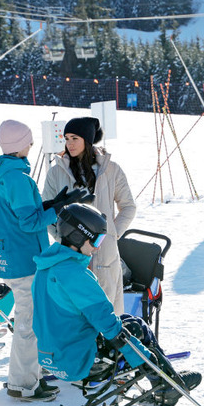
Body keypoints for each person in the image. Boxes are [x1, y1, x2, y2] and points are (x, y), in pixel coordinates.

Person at [32, 203, 201, 406]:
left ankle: (165, 379)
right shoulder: (76, 275)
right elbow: (111, 328)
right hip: (80, 363)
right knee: (136, 328)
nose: (98, 246)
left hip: (52, 357)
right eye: (97, 239)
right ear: (78, 237)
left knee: (127, 319)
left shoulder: (45, 268)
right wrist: (145, 358)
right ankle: (166, 386)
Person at [0, 119, 89, 401]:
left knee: (29, 321)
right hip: (25, 259)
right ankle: (23, 384)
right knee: (29, 325)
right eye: (28, 140)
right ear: (20, 144)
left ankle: (24, 377)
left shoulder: (5, 173)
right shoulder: (17, 178)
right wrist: (61, 208)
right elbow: (29, 223)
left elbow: (25, 213)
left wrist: (55, 202)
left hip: (16, 257)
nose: (32, 144)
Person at [43, 116, 136, 315]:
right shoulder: (56, 172)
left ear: (87, 139)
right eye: (66, 138)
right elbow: (46, 211)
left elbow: (128, 207)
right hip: (69, 254)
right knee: (74, 313)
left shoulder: (111, 170)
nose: (69, 144)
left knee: (106, 314)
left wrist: (110, 235)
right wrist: (63, 238)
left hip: (105, 256)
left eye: (74, 138)